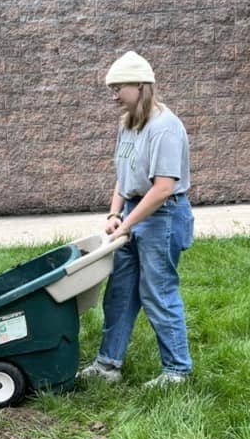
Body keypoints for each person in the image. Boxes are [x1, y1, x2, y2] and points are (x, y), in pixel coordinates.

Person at [79, 51, 194, 387]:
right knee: (120, 291)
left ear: (141, 85)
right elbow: (124, 174)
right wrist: (115, 213)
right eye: (111, 88)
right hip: (132, 211)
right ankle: (107, 365)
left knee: (157, 291)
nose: (114, 95)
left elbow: (162, 189)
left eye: (119, 87)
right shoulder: (128, 123)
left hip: (163, 216)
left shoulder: (164, 128)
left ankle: (177, 371)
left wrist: (128, 224)